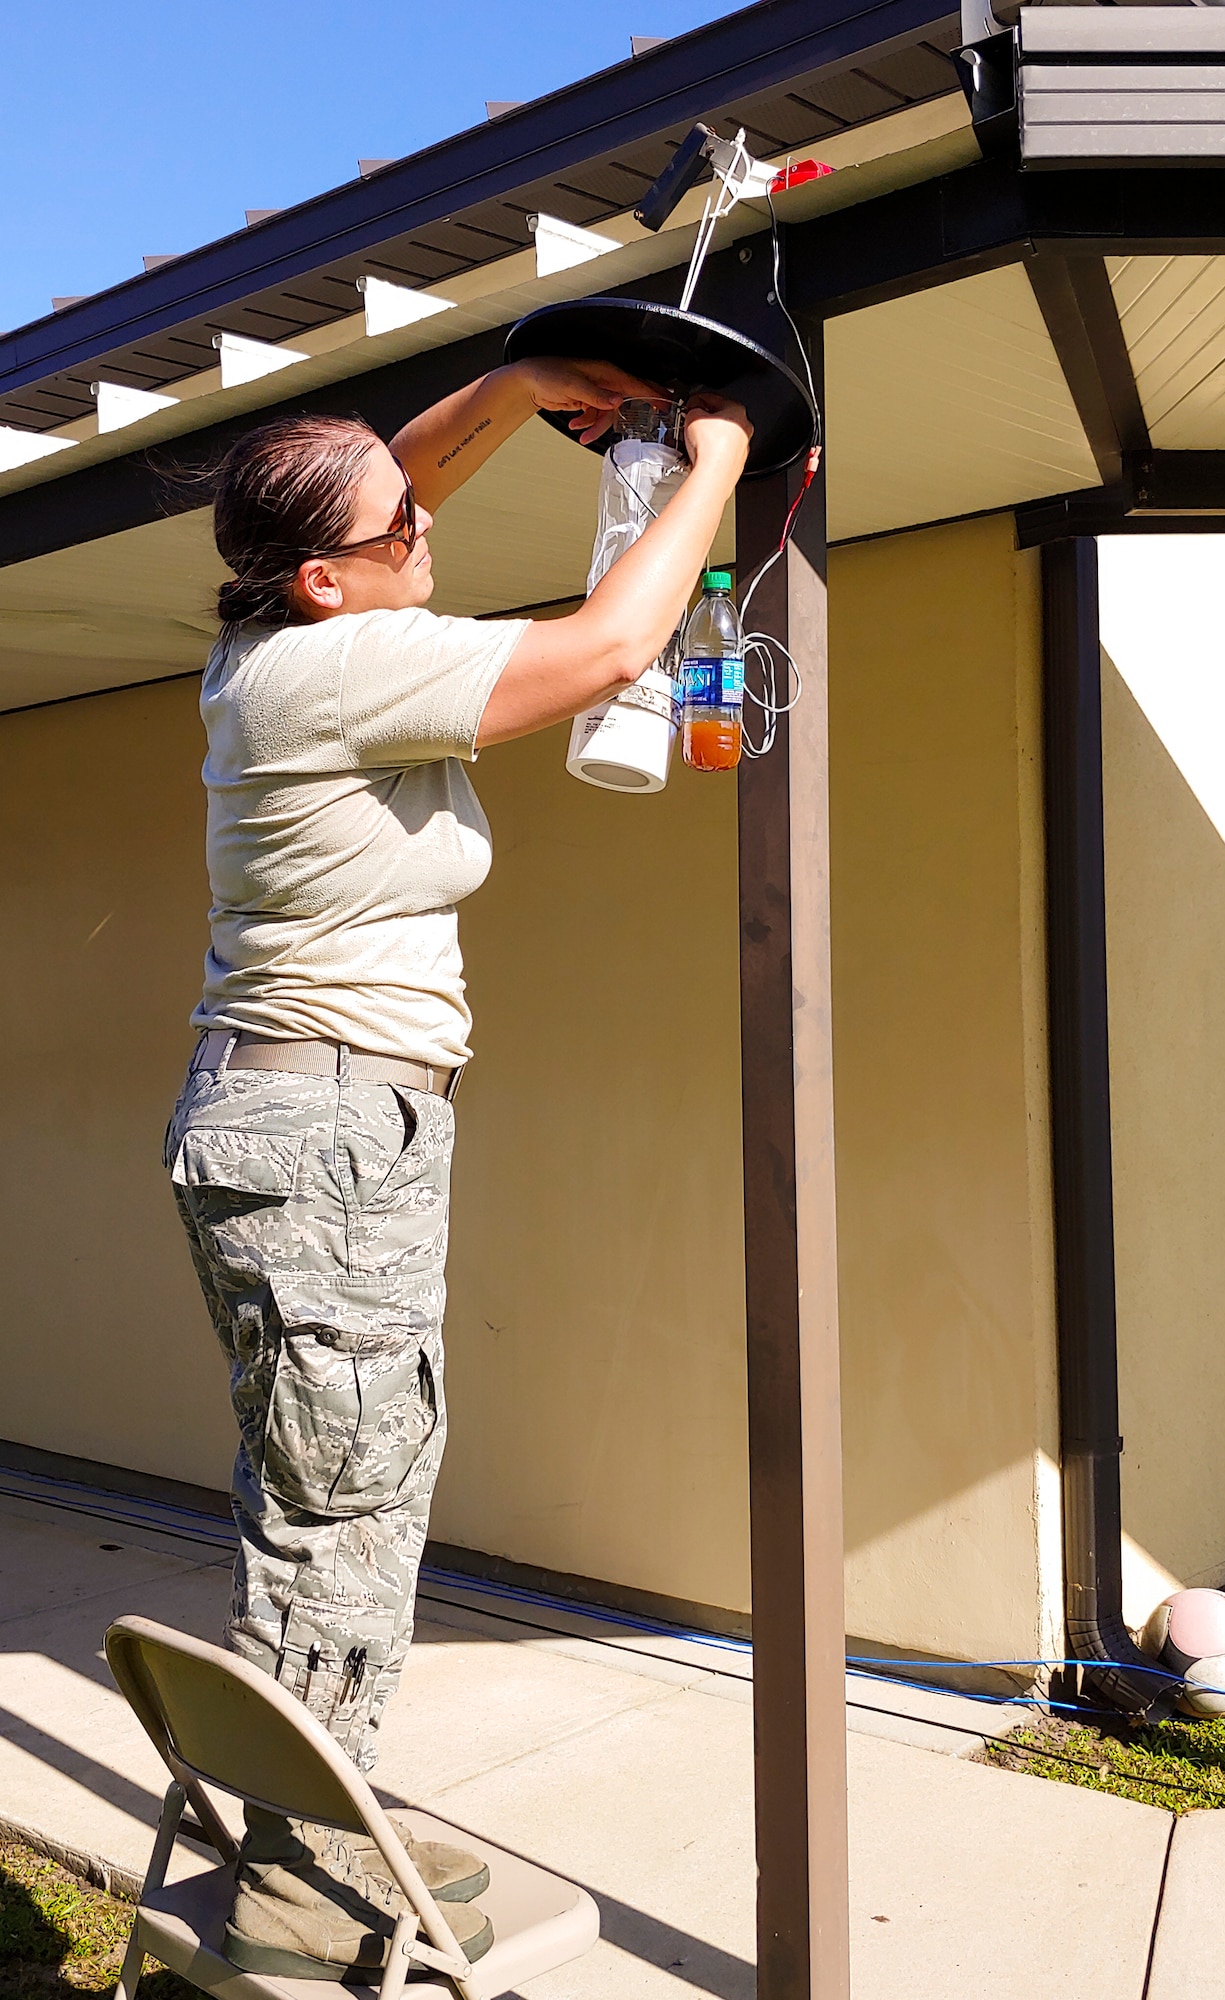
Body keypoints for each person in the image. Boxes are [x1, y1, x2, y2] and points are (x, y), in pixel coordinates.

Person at [164, 356, 751, 1979]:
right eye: (401, 528)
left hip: (299, 1121)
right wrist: (713, 456)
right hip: (330, 1130)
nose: (430, 527)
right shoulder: (339, 668)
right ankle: (297, 1871)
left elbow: (388, 477)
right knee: (346, 1498)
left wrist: (522, 383)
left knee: (324, 1487)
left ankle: (320, 1811)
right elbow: (615, 645)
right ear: (326, 576)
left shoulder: (280, 638)